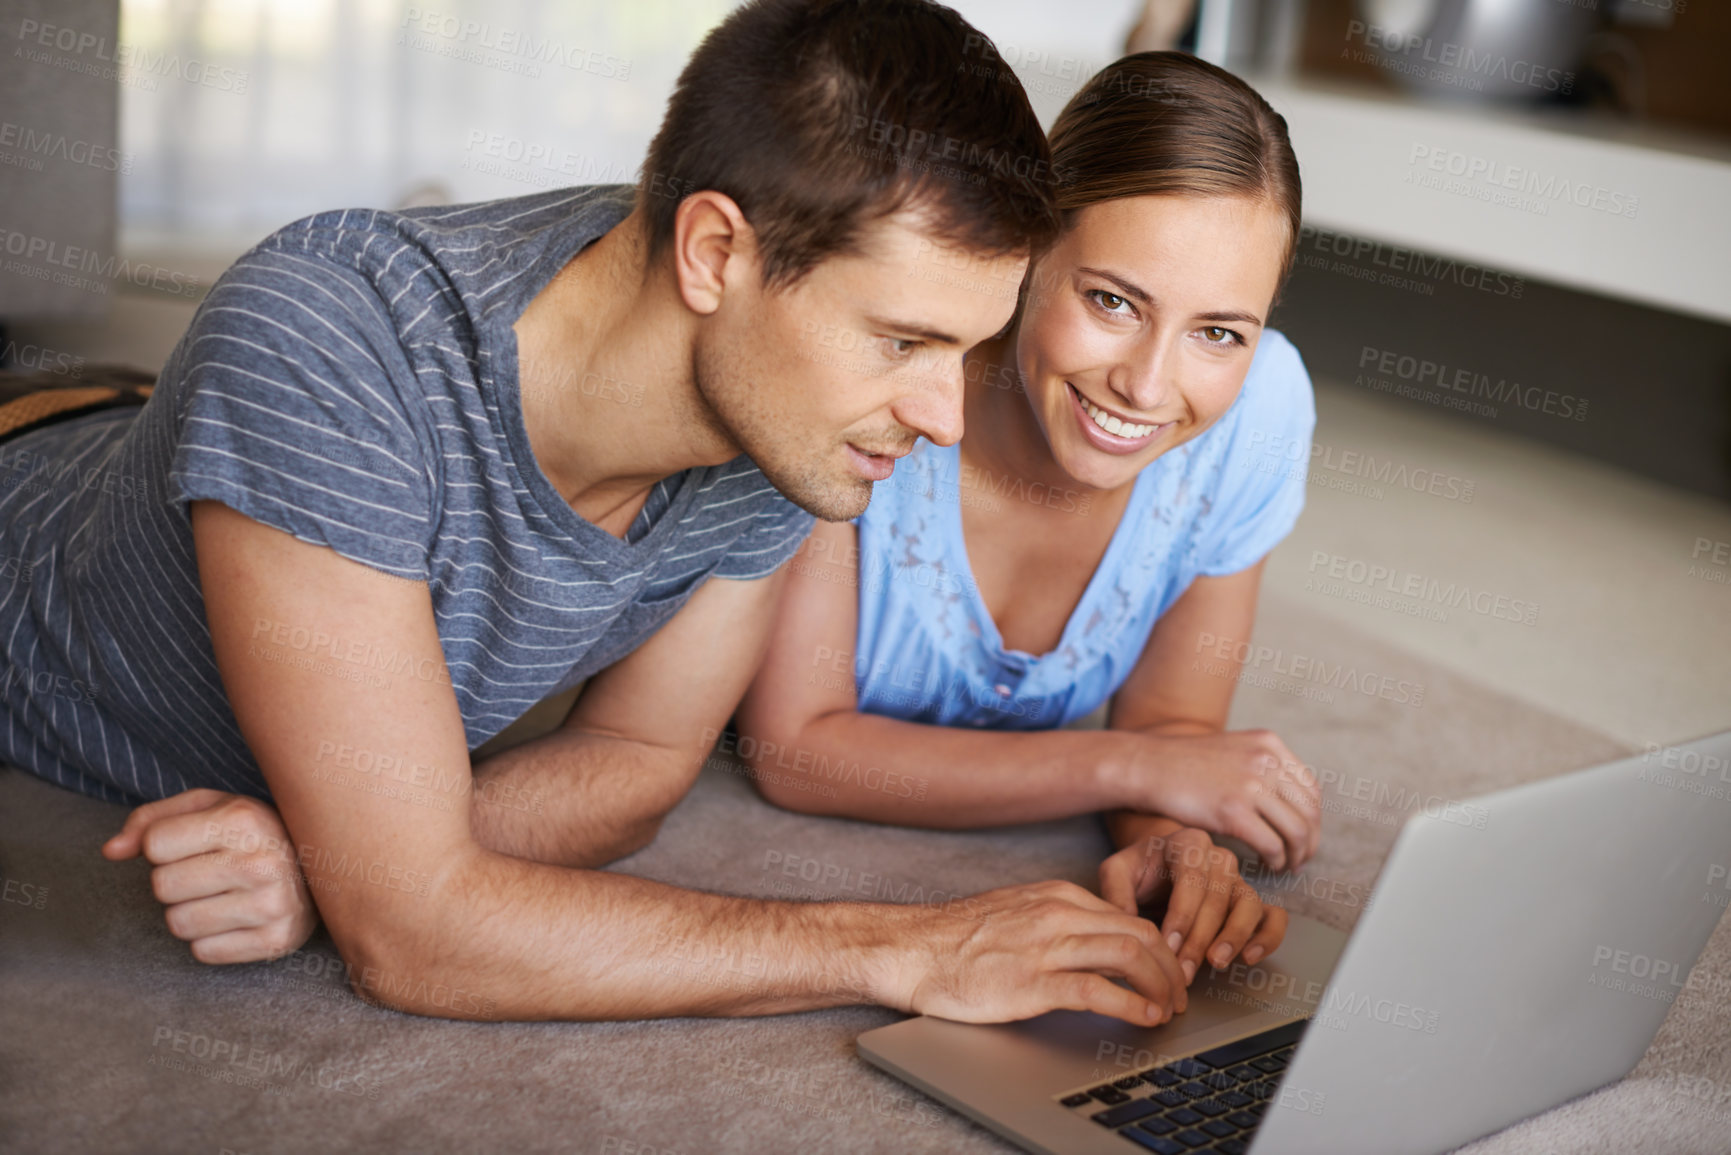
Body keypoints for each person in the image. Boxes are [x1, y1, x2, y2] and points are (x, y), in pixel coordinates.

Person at [2, 0, 1198, 1028]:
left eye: (968, 351)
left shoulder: (786, 414)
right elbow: (415, 941)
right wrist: (908, 946)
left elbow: (631, 768)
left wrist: (342, 861)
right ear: (715, 251)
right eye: (903, 341)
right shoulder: (327, 336)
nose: (944, 417)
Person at [734, 51, 1323, 987]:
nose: (1147, 383)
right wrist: (1129, 770)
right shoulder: (891, 381)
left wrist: (1177, 846)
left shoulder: (1259, 412)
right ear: (1030, 251)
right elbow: (797, 747)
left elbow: (1172, 722)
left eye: (1219, 332)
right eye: (1112, 300)